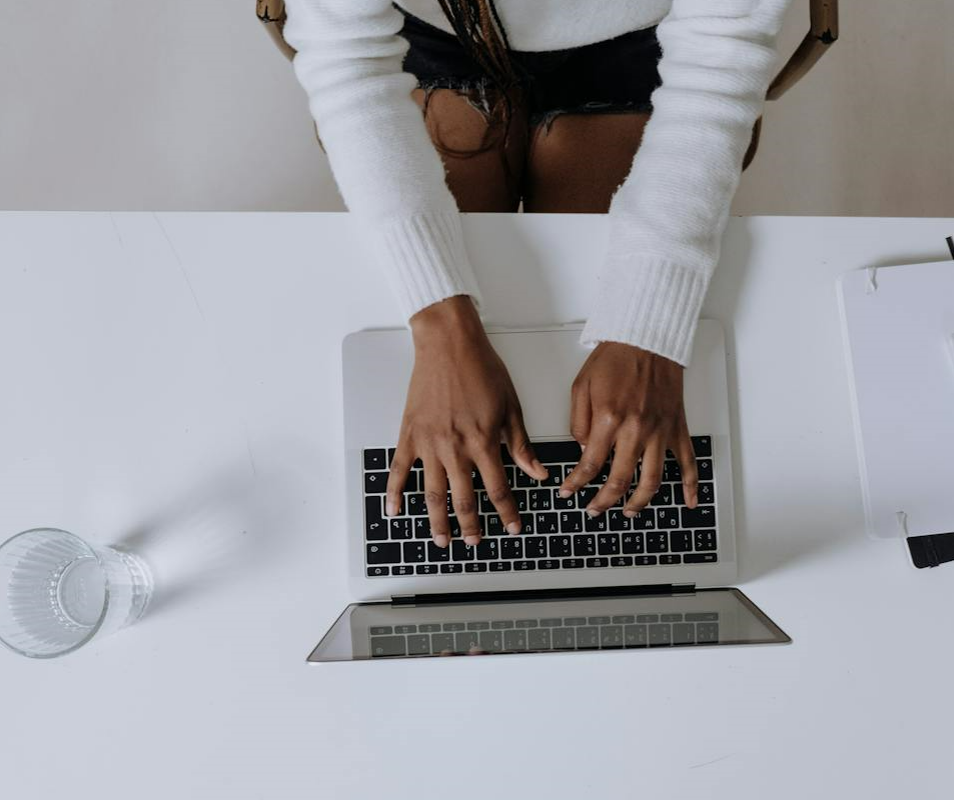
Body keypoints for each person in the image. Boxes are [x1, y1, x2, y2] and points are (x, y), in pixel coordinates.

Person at [284, 0, 790, 550]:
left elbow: (724, 47)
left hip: (641, 36)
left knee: (593, 397)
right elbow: (347, 56)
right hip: (437, 34)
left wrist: (647, 331)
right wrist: (440, 328)